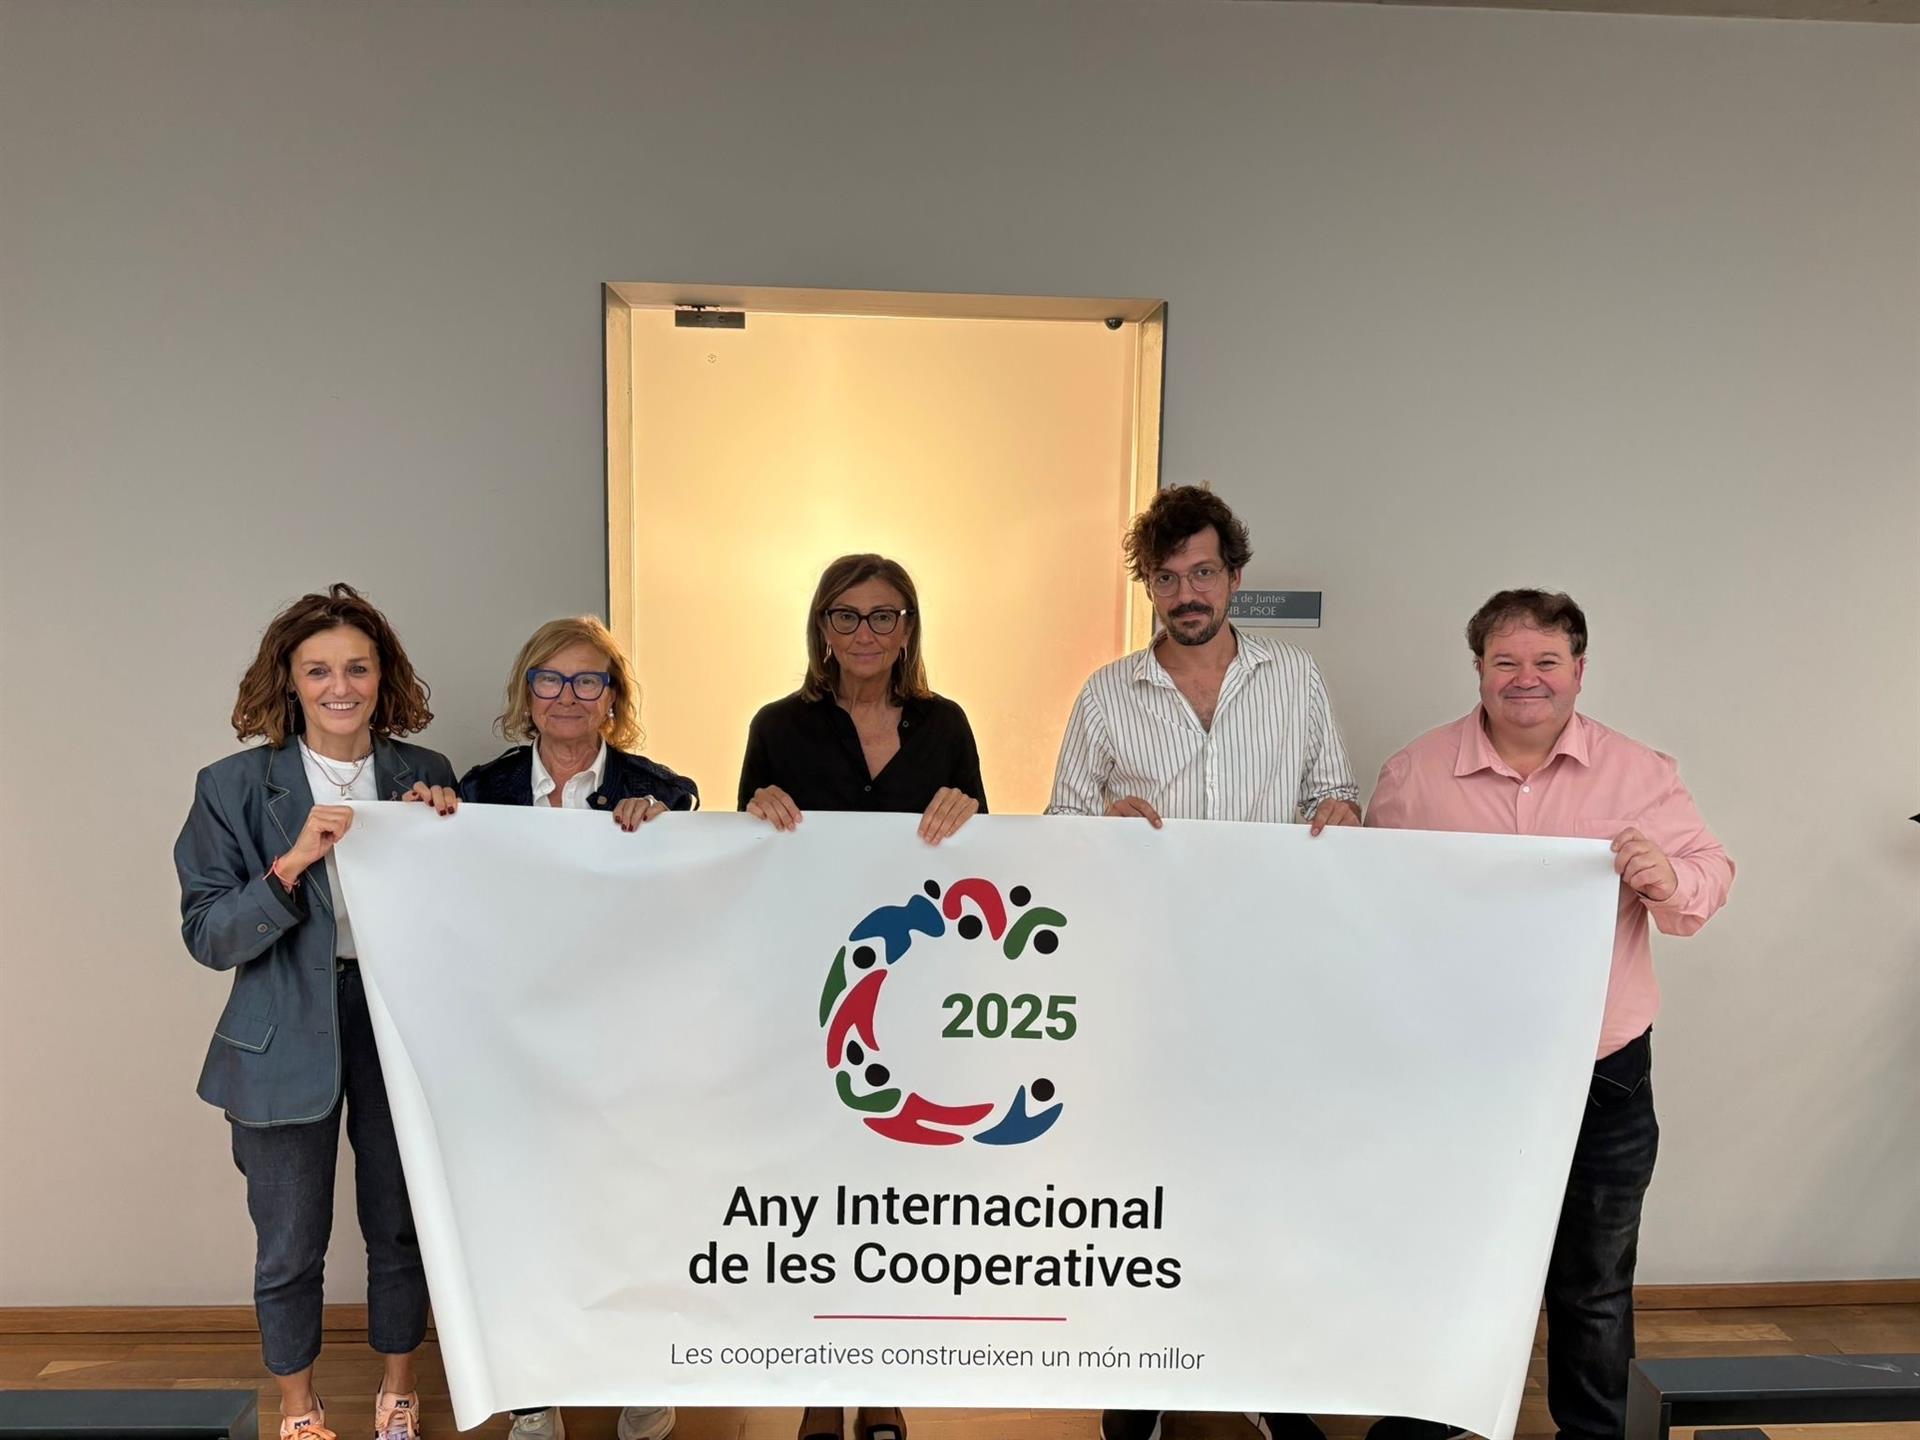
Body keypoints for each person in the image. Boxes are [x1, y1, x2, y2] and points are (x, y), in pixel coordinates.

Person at [1368, 589, 1734, 1440]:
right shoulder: (1415, 773)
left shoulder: (1640, 773)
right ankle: (1433, 1417)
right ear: (1478, 670)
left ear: (1579, 669)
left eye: (1545, 661)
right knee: (1446, 1263)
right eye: (1506, 661)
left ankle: (1595, 1434)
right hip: (1458, 1074)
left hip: (1602, 1074)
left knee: (1593, 1280)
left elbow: (1708, 877)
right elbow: (1378, 910)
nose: (1525, 678)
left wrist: (1668, 877)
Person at [1046, 486, 1360, 1440]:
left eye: (1203, 572)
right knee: (1146, 1184)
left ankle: (1264, 1380)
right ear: (1148, 585)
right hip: (1150, 988)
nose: (1187, 593)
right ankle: (1140, 1382)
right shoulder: (1107, 694)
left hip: (1269, 983)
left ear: (1234, 576)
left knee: (1264, 1188)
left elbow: (1334, 791)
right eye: (1168, 577)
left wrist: (1342, 811)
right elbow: (1058, 825)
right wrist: (1099, 827)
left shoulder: (1294, 680)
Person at [174, 583, 460, 1440]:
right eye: (319, 670)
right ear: (290, 681)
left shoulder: (427, 773)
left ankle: (399, 1395)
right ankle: (299, 1409)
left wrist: (446, 842)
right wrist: (290, 865)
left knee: (400, 1227)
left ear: (383, 677)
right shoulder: (230, 785)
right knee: (290, 1243)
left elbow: (463, 917)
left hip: (399, 1025)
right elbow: (208, 935)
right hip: (280, 1034)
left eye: (358, 668)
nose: (341, 686)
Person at [741, 554, 985, 1440]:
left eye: (885, 616)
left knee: (896, 1197)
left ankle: (881, 1387)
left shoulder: (946, 725)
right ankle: (818, 1391)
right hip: (813, 989)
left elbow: (984, 852)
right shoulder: (777, 726)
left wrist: (971, 814)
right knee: (818, 1194)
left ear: (908, 627)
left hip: (916, 989)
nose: (866, 633)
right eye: (846, 616)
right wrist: (755, 813)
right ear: (822, 628)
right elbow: (745, 860)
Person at [459, 614, 693, 1440]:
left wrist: (662, 831)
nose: (568, 695)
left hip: (623, 1042)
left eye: (588, 679)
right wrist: (423, 824)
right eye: (550, 679)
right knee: (522, 1213)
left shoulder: (665, 792)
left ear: (612, 697)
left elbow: (690, 901)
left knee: (630, 1208)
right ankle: (533, 1395)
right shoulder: (479, 791)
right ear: (526, 693)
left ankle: (642, 1377)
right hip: (513, 1040)